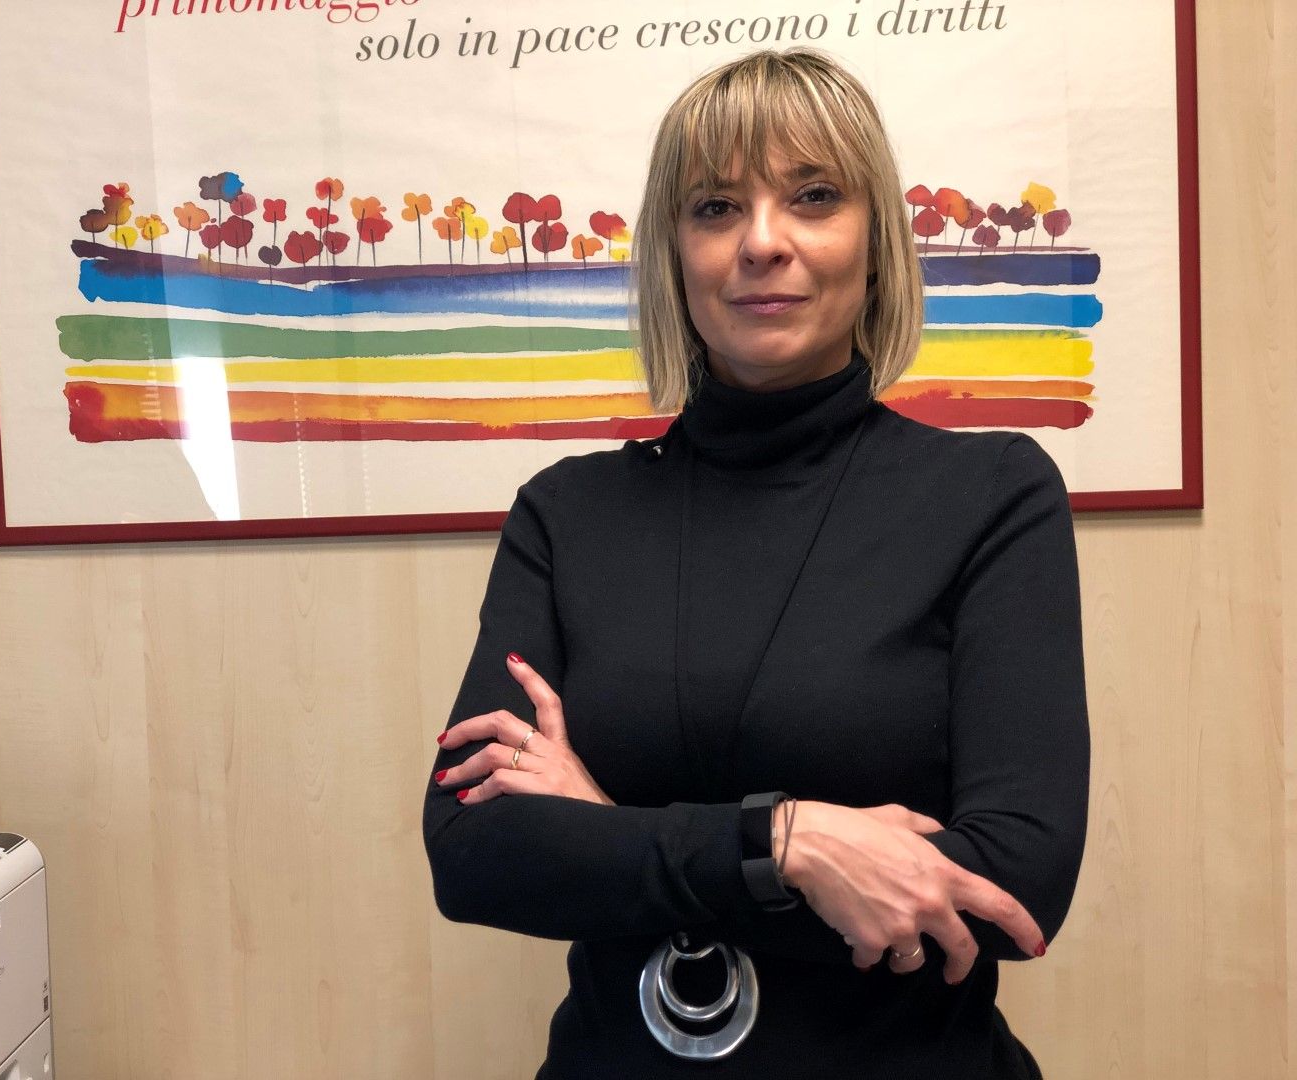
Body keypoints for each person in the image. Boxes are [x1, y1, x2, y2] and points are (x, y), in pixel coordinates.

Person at [423, 47, 1088, 1079]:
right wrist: (788, 845)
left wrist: (609, 832)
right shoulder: (567, 514)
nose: (763, 242)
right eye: (716, 207)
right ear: (673, 251)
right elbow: (473, 855)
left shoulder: (993, 495)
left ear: (876, 239)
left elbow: (1012, 888)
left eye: (813, 197)